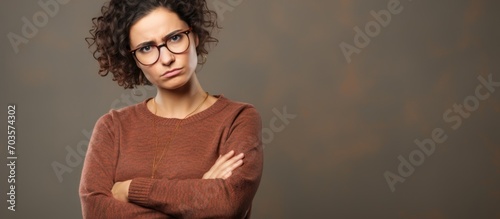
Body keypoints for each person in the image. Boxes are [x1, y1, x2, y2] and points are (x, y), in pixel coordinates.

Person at [78, 0, 263, 218]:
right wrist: (200, 196)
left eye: (175, 38)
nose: (167, 58)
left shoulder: (238, 118)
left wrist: (130, 190)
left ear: (194, 36)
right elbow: (95, 211)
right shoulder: (112, 127)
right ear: (134, 59)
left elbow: (228, 204)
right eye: (146, 48)